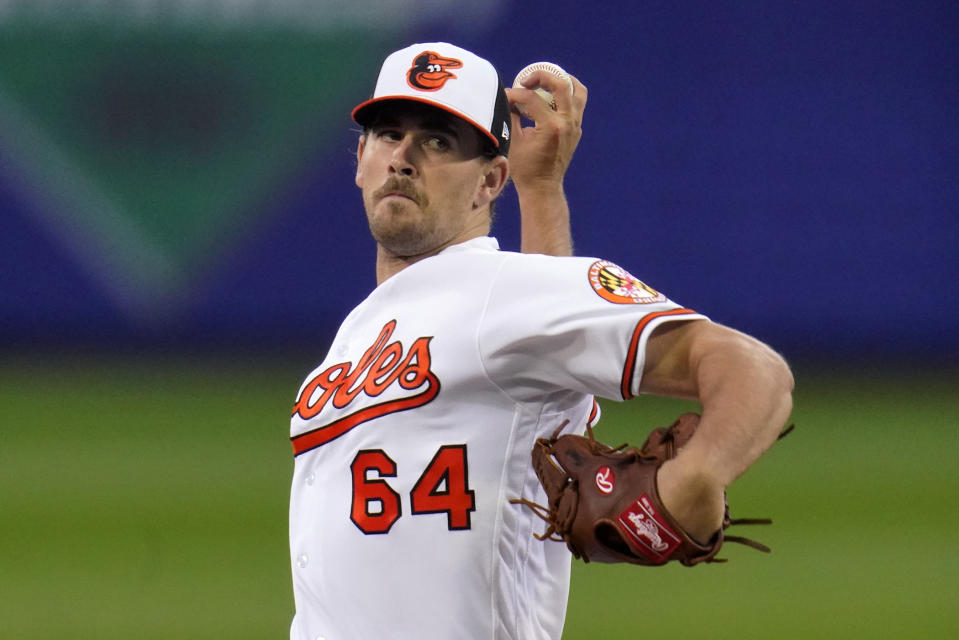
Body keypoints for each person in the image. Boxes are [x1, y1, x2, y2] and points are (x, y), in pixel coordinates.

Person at [288, 42, 793, 640]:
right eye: (388, 134)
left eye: (438, 142)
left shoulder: (496, 290)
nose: (403, 157)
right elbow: (541, 363)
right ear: (360, 160)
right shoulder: (366, 328)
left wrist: (701, 473)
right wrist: (542, 191)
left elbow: (753, 367)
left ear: (489, 180)